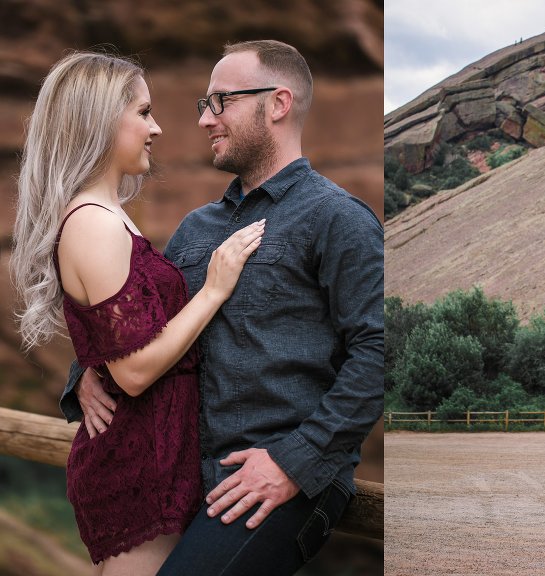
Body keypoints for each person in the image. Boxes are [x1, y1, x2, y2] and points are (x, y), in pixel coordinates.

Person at [62, 39, 384, 575]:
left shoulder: (339, 219)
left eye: (221, 102)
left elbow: (376, 352)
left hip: (280, 480)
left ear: (278, 103)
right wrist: (89, 370)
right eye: (203, 105)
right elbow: (141, 314)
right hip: (185, 474)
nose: (205, 120)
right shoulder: (197, 228)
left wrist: (293, 461)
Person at [11, 52, 265, 574]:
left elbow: (115, 337)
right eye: (143, 112)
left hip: (153, 454)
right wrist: (214, 290)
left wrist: (87, 369)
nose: (157, 128)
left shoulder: (106, 216)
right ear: (102, 120)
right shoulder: (95, 223)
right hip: (138, 466)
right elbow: (133, 371)